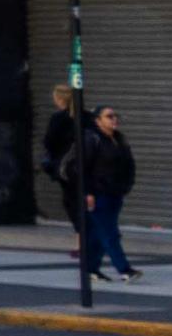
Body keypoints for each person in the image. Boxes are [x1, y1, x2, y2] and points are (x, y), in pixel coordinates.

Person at [70, 105, 142, 282]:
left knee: (97, 233)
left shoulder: (118, 139)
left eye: (115, 116)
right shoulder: (91, 139)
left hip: (115, 193)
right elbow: (81, 169)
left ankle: (90, 268)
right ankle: (124, 269)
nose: (114, 119)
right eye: (109, 116)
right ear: (98, 120)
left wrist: (127, 185)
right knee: (110, 233)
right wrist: (88, 192)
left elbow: (128, 165)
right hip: (97, 194)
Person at [40, 83, 88, 268]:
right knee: (82, 202)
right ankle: (84, 241)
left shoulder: (59, 118)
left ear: (59, 99)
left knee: (72, 203)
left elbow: (49, 142)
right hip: (86, 167)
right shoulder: (86, 116)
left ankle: (81, 242)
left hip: (67, 169)